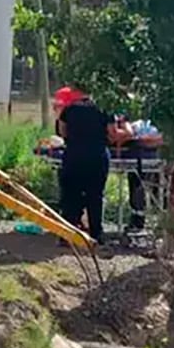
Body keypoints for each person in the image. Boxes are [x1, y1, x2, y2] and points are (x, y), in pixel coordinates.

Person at [54, 86, 113, 244]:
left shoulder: (69, 110)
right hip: (97, 156)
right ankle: (96, 234)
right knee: (95, 195)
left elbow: (62, 132)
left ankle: (67, 234)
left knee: (71, 196)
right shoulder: (104, 108)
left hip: (74, 155)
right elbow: (112, 133)